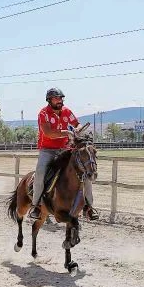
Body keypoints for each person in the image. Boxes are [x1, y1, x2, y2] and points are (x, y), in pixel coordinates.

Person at [29, 87, 99, 221]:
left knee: (85, 171)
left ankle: (89, 207)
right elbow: (48, 132)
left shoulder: (67, 112)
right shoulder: (43, 114)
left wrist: (78, 129)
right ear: (49, 100)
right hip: (47, 150)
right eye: (56, 98)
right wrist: (66, 132)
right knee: (40, 173)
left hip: (66, 149)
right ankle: (36, 205)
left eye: (61, 98)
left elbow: (77, 124)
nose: (59, 101)